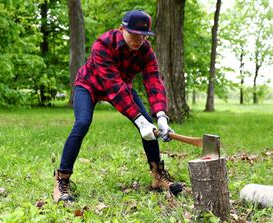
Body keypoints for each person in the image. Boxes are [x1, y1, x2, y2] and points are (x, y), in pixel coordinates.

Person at [53, 9, 183, 203]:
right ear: (122, 28)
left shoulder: (145, 50)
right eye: (134, 34)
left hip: (122, 86)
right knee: (82, 123)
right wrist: (139, 121)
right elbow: (113, 86)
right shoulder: (103, 44)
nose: (139, 40)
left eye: (144, 36)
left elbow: (154, 80)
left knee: (149, 122)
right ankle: (61, 181)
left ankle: (158, 176)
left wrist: (161, 116)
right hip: (89, 85)